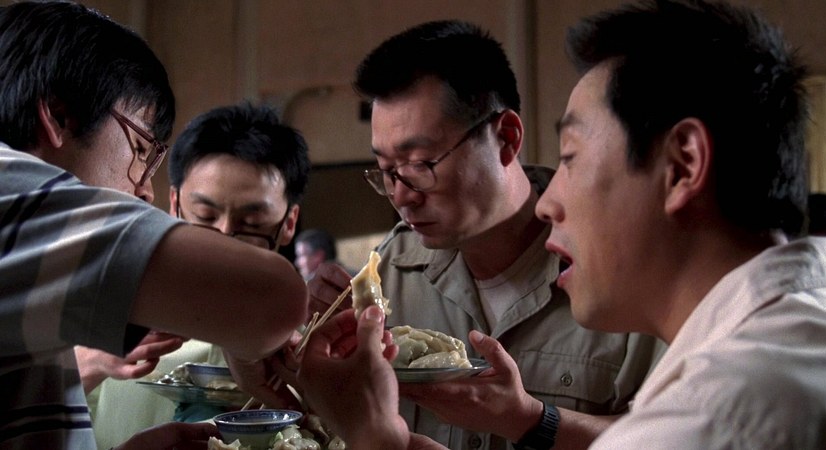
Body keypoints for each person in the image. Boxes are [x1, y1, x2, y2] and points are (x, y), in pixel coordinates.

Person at [297, 0, 826, 448]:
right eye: (386, 171)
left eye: (571, 158)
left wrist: (376, 439)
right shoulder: (801, 335)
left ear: (683, 165)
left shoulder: (715, 417)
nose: (550, 202)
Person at [304, 19, 663, 450]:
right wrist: (310, 338)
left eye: (420, 164)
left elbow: (684, 435)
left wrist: (533, 421)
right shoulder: (393, 268)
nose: (401, 195)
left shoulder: (620, 269)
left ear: (506, 138)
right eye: (385, 170)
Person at [0, 3, 307, 449]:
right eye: (141, 149)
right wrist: (242, 335)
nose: (145, 190)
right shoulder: (13, 193)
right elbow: (272, 296)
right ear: (59, 117)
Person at [77, 102, 311, 448]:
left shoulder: (304, 352)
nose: (224, 236)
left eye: (252, 222)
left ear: (289, 222)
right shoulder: (105, 323)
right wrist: (89, 363)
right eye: (205, 215)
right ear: (174, 204)